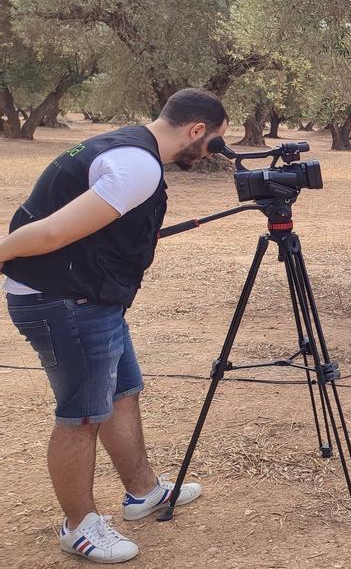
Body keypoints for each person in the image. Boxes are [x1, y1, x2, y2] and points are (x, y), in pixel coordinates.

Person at [0, 88, 225, 563]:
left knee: (123, 391)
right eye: (211, 144)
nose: (209, 155)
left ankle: (143, 491)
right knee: (81, 416)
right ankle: (78, 526)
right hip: (64, 301)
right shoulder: (138, 166)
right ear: (197, 130)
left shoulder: (124, 145)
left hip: (88, 296)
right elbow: (53, 232)